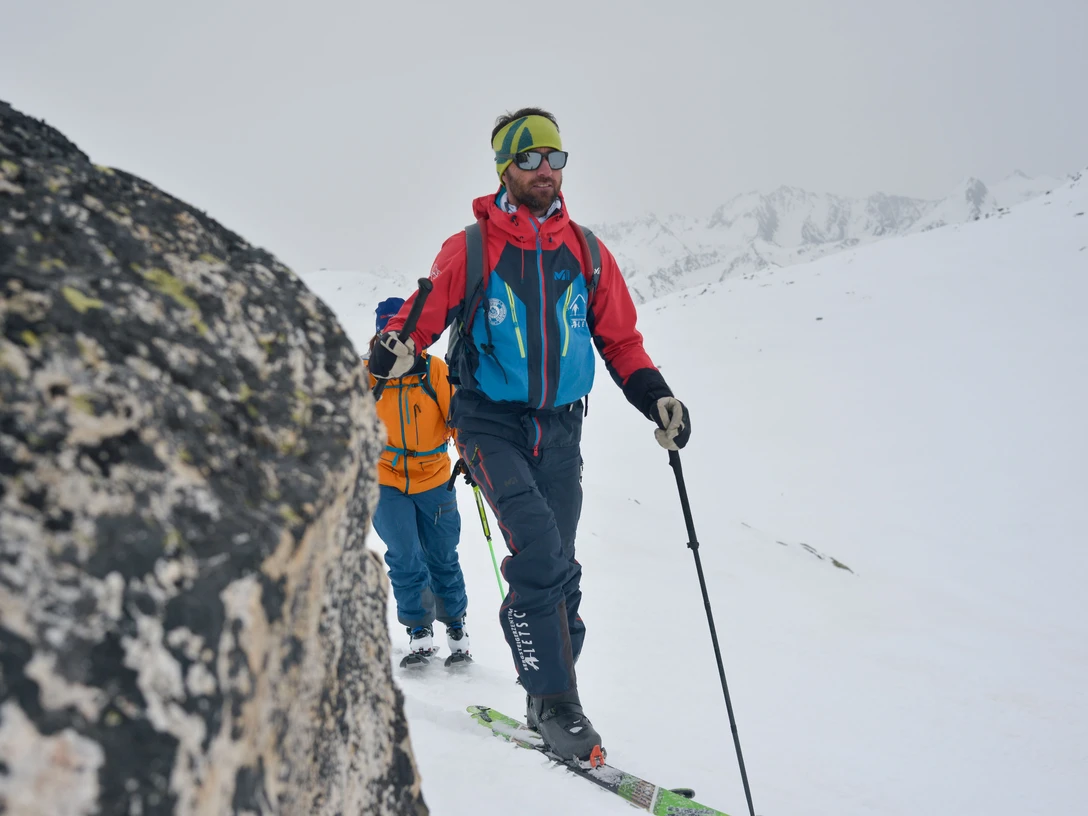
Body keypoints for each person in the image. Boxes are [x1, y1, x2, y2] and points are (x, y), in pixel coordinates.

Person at [368, 109, 690, 764]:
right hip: (488, 421)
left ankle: (551, 675)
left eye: (555, 158)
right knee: (538, 547)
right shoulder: (473, 247)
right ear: (505, 170)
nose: (546, 170)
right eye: (531, 159)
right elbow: (423, 312)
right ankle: (554, 703)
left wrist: (657, 397)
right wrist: (394, 347)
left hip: (562, 426)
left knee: (559, 565)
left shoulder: (588, 251)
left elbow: (620, 340)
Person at [368, 296, 470, 668]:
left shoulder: (434, 371)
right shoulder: (365, 376)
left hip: (434, 477)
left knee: (442, 554)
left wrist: (471, 458)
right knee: (405, 555)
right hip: (385, 479)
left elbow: (459, 419)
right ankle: (418, 630)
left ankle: (455, 624)